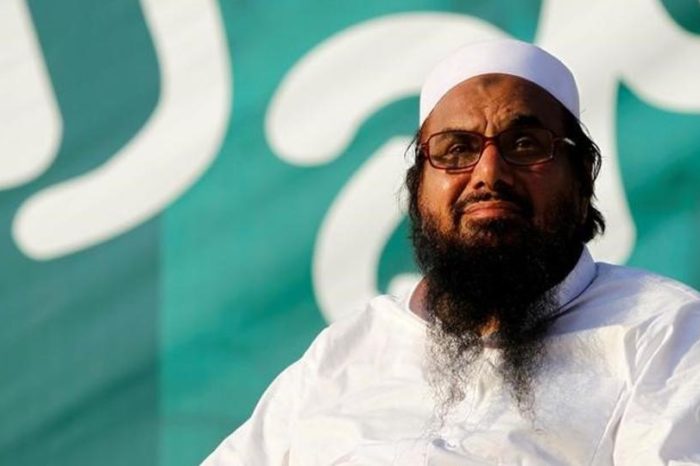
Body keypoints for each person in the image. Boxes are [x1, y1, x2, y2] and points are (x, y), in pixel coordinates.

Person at [203, 39, 700, 465]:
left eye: (525, 144)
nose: (489, 174)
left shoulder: (664, 332)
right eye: (456, 149)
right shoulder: (345, 352)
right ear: (418, 186)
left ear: (581, 176)